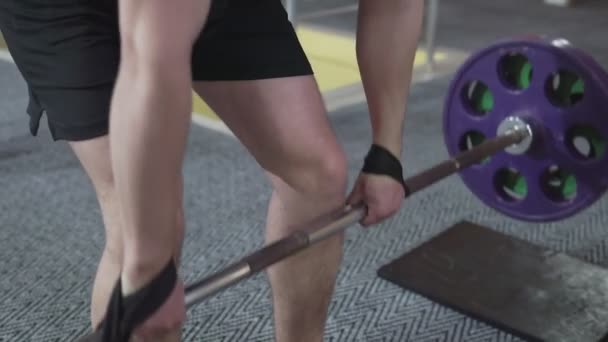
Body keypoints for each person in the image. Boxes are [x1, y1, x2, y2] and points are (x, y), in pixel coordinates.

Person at [0, 0, 424, 341]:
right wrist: (148, 274)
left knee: (317, 175)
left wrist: (386, 154)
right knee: (144, 233)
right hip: (64, 10)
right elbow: (153, 55)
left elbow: (395, 6)